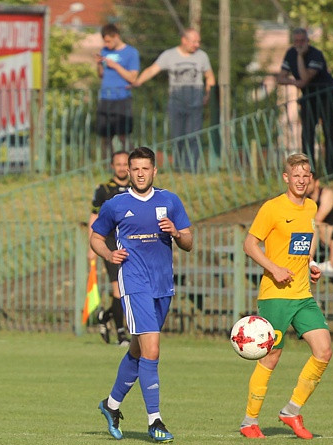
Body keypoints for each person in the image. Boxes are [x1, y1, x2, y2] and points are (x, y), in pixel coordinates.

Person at [90, 146, 193, 443]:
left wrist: (176, 232)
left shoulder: (169, 201)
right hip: (134, 283)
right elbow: (96, 237)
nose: (139, 173)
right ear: (129, 171)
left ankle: (111, 405)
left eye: (145, 168)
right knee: (152, 349)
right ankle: (155, 421)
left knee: (138, 349)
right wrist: (110, 255)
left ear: (154, 171)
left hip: (163, 285)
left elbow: (189, 241)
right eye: (135, 168)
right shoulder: (116, 204)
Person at [239, 152, 332, 440]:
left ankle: (291, 411)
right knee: (272, 356)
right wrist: (274, 268)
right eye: (296, 176)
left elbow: (305, 243)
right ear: (286, 178)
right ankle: (248, 421)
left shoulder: (311, 207)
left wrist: (312, 264)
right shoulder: (272, 208)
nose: (301, 180)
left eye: (306, 176)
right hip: (275, 295)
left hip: (303, 293)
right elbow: (250, 244)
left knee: (324, 351)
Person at [132, 28, 215, 172]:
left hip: (195, 104)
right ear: (184, 40)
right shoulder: (169, 55)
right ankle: (178, 167)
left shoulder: (202, 56)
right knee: (177, 137)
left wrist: (208, 94)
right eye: (194, 41)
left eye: (198, 42)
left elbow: (210, 76)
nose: (197, 45)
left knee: (193, 137)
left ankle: (192, 169)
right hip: (176, 103)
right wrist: (138, 81)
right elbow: (152, 70)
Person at [276, 28, 333, 176]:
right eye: (296, 41)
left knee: (329, 133)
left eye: (301, 41)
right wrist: (295, 82)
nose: (298, 44)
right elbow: (280, 78)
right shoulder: (290, 53)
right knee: (307, 134)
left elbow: (305, 79)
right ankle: (310, 171)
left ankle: (331, 170)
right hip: (308, 99)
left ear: (307, 41)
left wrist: (299, 57)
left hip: (326, 97)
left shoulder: (315, 54)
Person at [88, 151, 131, 346]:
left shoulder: (136, 189)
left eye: (125, 164)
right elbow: (94, 218)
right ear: (112, 166)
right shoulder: (104, 189)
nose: (122, 167)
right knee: (118, 289)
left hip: (130, 244)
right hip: (110, 243)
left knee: (127, 289)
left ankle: (105, 316)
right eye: (118, 164)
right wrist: (92, 246)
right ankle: (121, 335)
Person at [95, 23, 140, 159]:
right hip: (106, 97)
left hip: (122, 98)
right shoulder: (104, 51)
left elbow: (132, 77)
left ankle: (133, 163)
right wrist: (99, 64)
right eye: (105, 41)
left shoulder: (131, 52)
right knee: (106, 135)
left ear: (116, 37)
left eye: (109, 41)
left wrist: (115, 65)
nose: (107, 44)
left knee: (123, 135)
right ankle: (107, 165)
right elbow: (101, 74)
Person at [306, 177, 333, 272]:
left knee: (314, 225)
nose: (305, 185)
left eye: (309, 183)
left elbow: (318, 218)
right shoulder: (306, 199)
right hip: (323, 236)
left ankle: (309, 261)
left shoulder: (327, 194)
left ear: (317, 182)